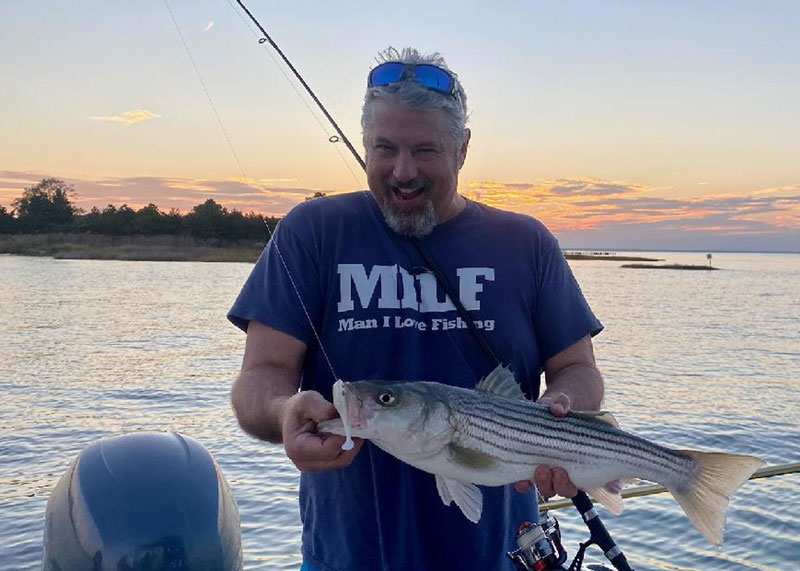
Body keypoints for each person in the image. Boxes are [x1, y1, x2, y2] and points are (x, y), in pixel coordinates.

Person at [228, 47, 604, 571]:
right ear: (364, 144)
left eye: (424, 150)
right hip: (346, 556)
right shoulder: (312, 232)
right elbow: (261, 375)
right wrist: (282, 412)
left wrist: (563, 409)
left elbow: (577, 369)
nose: (402, 171)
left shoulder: (525, 243)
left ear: (463, 148)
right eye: (384, 148)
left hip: (501, 554)